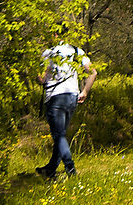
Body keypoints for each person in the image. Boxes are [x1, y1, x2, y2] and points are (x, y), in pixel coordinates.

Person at [37, 39, 95, 180]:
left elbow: (41, 79)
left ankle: (71, 169)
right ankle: (50, 169)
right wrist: (85, 91)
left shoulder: (49, 52)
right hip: (72, 96)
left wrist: (38, 76)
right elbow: (93, 72)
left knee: (58, 135)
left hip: (55, 97)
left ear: (55, 34)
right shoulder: (76, 51)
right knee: (61, 134)